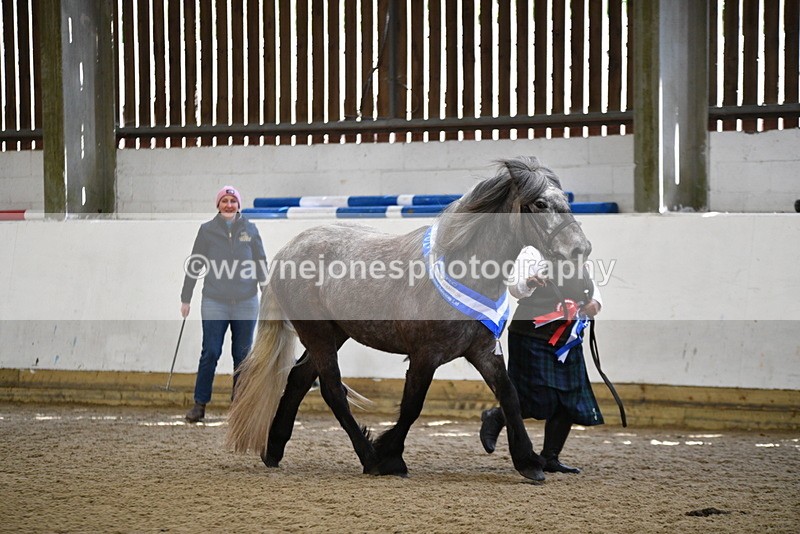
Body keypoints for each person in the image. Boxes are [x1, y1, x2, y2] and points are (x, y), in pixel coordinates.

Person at [479, 246, 604, 473]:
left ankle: (550, 457)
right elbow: (516, 288)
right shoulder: (532, 253)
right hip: (531, 334)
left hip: (568, 339)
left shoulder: (578, 256)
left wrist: (595, 303)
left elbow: (591, 288)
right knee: (537, 398)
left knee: (569, 400)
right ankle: (497, 416)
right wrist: (529, 282)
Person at [180, 186, 267, 423]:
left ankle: (238, 405)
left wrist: (265, 291)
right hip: (214, 301)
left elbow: (261, 262)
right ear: (218, 205)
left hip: (246, 302)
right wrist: (185, 298)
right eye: (225, 201)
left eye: (233, 201)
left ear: (239, 205)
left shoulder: (250, 229)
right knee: (210, 352)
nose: (229, 205)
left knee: (242, 356)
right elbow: (195, 264)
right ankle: (199, 404)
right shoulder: (206, 230)